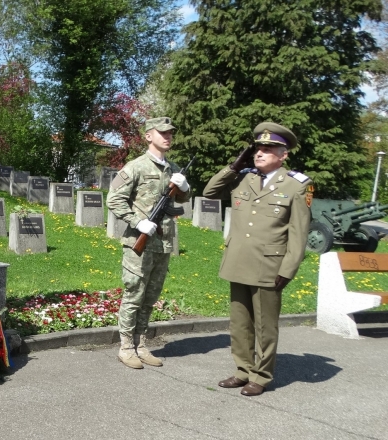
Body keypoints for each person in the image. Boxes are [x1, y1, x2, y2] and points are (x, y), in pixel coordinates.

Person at [203, 122, 312, 396]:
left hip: (269, 266)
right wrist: (234, 166)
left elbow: (299, 233)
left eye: (268, 149)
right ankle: (243, 370)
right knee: (239, 323)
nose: (259, 153)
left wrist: (288, 269)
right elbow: (209, 192)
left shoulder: (296, 186)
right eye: (258, 148)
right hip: (238, 261)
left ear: (283, 154)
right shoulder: (244, 178)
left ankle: (260, 376)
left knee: (265, 326)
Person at [106, 117, 191, 369]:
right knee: (134, 294)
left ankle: (141, 344)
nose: (168, 137)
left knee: (150, 297)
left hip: (163, 243)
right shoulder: (136, 167)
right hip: (139, 242)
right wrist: (137, 221)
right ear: (148, 136)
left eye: (170, 133)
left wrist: (185, 188)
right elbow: (114, 199)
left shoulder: (174, 168)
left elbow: (182, 200)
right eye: (162, 133)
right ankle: (125, 347)